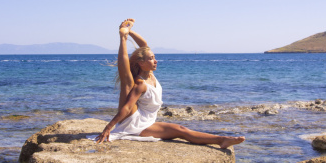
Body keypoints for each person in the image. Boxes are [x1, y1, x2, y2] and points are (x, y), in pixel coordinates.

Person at [95, 19, 245, 149]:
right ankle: (221, 140)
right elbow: (127, 107)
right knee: (181, 130)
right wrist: (108, 128)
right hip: (134, 124)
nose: (156, 60)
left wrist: (130, 31)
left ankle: (221, 139)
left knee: (181, 130)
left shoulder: (150, 74)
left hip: (147, 119)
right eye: (151, 59)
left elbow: (144, 45)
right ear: (141, 63)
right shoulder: (139, 83)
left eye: (154, 57)